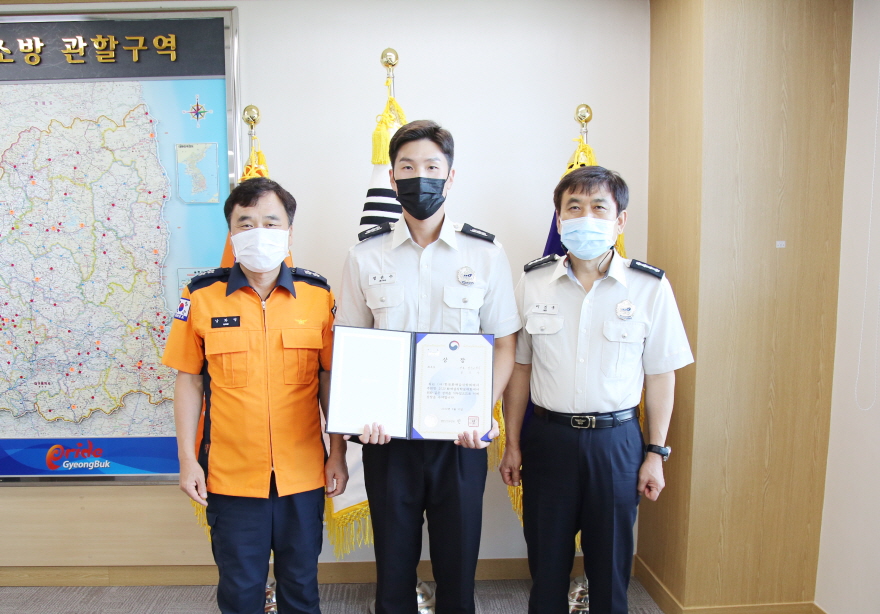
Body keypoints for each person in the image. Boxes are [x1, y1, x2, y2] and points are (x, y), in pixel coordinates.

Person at [336, 120, 521, 614]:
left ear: (450, 176)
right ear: (392, 178)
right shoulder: (364, 255)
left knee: (457, 568)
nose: (420, 177)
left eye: (432, 167)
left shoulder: (485, 254)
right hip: (387, 441)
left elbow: (506, 343)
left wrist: (480, 410)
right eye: (408, 167)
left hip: (459, 440)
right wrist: (359, 415)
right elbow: (350, 348)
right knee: (393, 567)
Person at [499, 166, 694, 614]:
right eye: (574, 207)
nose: (585, 216)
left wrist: (655, 453)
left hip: (616, 444)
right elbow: (521, 368)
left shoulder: (649, 287)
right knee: (546, 568)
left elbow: (661, 375)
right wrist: (512, 442)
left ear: (620, 220)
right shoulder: (533, 281)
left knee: (609, 573)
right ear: (559, 219)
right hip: (548, 440)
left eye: (598, 207)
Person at [162, 177, 348, 614]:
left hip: (302, 474)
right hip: (231, 476)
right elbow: (189, 381)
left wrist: (338, 454)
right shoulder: (201, 296)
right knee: (240, 589)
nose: (257, 232)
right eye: (245, 223)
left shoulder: (317, 296)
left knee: (301, 587)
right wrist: (187, 460)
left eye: (270, 222)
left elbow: (330, 380)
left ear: (289, 232)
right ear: (231, 233)